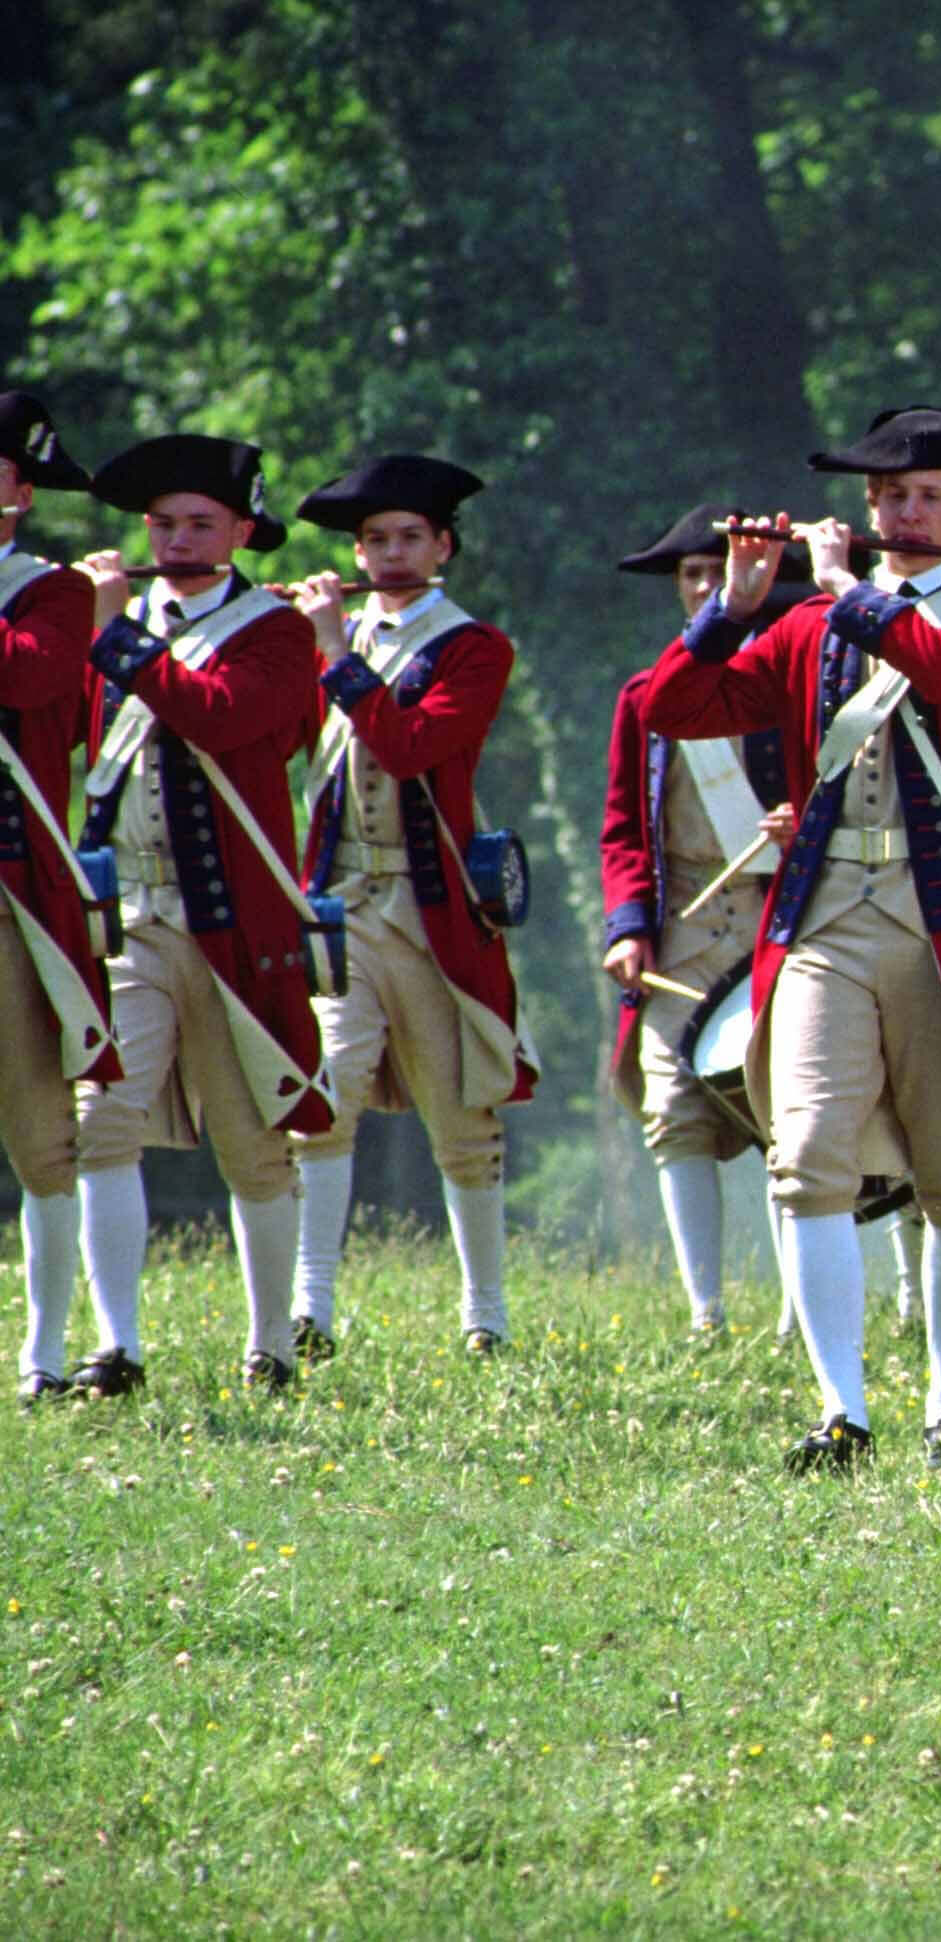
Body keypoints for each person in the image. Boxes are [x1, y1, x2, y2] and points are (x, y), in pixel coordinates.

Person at [644, 405, 941, 1472]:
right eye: (888, 498)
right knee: (807, 1163)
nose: (903, 512)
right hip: (824, 916)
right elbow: (673, 708)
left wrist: (850, 594)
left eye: (926, 498)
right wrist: (729, 608)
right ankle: (844, 1410)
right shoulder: (815, 623)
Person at [69, 434, 336, 1396]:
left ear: (239, 532)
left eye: (200, 525)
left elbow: (222, 716)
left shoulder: (277, 631)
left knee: (254, 1140)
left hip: (235, 926)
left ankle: (269, 1346)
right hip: (132, 916)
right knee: (101, 1121)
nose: (177, 541)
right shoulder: (117, 624)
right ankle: (118, 1345)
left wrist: (118, 638)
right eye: (162, 524)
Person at [285, 456, 540, 1357]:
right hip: (341, 899)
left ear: (443, 547)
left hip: (431, 913)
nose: (391, 555)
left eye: (409, 540)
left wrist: (330, 656)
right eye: (375, 540)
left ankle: (486, 1316)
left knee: (462, 1115)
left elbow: (411, 745)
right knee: (325, 1094)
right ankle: (307, 1308)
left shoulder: (475, 647)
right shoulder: (333, 635)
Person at [601, 504, 795, 1333]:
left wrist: (802, 818)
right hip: (682, 925)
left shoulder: (795, 684)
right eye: (694, 576)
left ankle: (799, 1311)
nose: (709, 586)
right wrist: (627, 926)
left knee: (792, 1118)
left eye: (723, 572)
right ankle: (706, 1313)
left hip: (776, 917)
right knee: (672, 1113)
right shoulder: (648, 694)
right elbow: (621, 825)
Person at [0, 390, 120, 1402]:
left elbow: (33, 684)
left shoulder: (50, 594)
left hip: (11, 903)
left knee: (42, 1136)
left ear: (19, 491)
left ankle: (41, 1354)